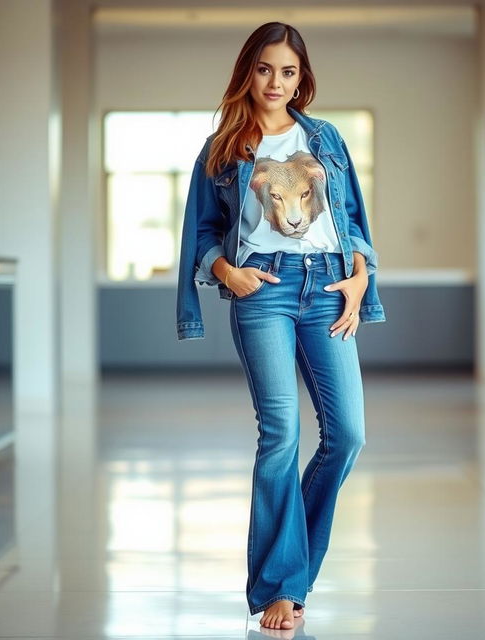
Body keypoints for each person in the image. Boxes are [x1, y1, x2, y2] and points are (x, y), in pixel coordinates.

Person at [176, 21, 386, 630]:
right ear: (249, 70)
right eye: (266, 68)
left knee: (347, 434)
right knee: (282, 435)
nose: (276, 82)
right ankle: (280, 587)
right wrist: (224, 272)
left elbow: (351, 219)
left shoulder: (324, 139)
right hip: (261, 289)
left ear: (303, 78)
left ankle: (292, 576)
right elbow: (204, 230)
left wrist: (360, 276)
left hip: (328, 287)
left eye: (288, 71)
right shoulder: (224, 149)